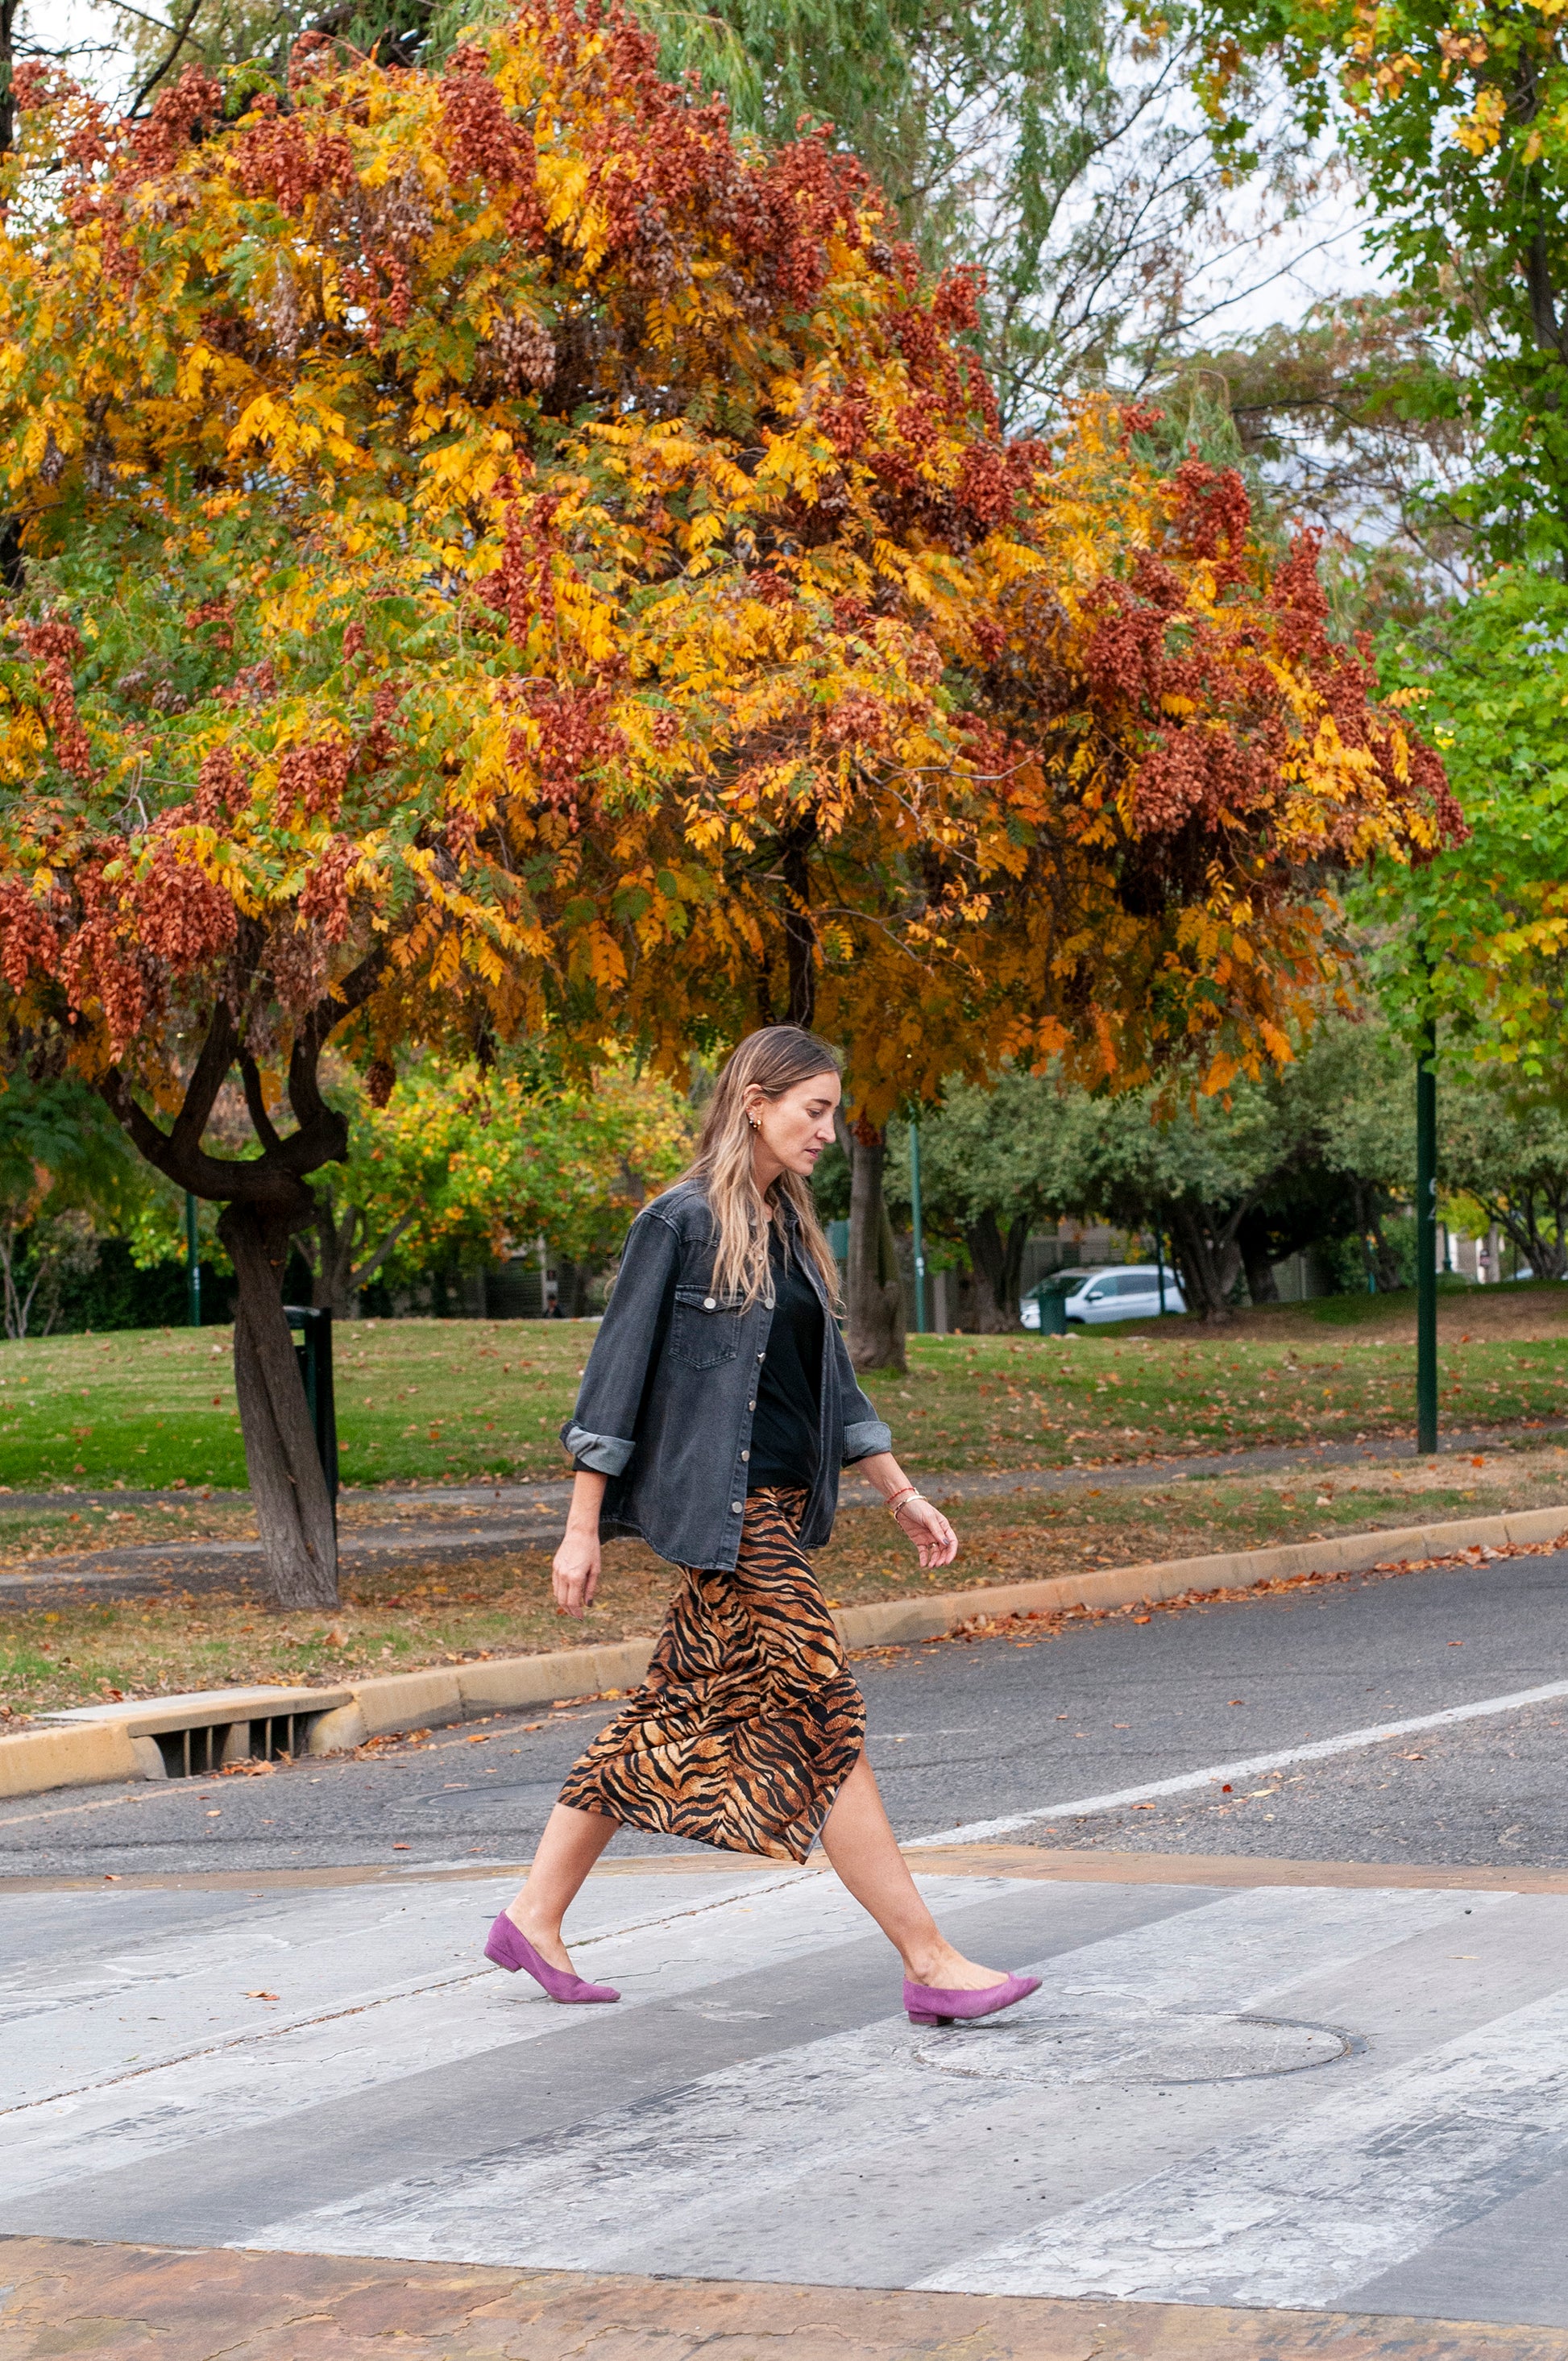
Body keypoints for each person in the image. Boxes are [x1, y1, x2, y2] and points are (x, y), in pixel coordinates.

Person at [484, 1026, 1039, 2030]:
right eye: (812, 1110)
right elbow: (609, 1384)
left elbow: (829, 1383)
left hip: (780, 1510)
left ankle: (531, 1914)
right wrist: (582, 1528)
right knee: (825, 1715)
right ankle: (929, 1959)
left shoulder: (787, 1227)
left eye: (832, 1112)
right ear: (756, 1101)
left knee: (665, 1717)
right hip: (730, 1522)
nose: (828, 1130)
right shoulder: (679, 1224)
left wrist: (898, 1490)